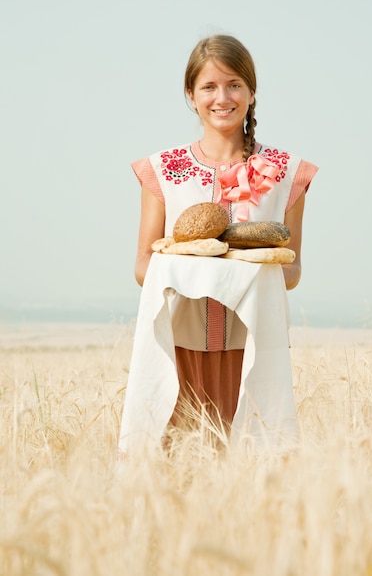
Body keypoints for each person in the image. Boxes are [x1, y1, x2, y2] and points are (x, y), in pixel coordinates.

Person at [118, 34, 318, 454]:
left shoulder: (287, 173)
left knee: (249, 469)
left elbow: (293, 271)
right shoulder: (163, 169)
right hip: (177, 347)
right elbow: (142, 265)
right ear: (190, 95)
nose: (221, 97)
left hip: (253, 349)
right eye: (208, 87)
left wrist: (244, 267)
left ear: (251, 91)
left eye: (233, 85)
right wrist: (193, 267)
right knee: (176, 472)